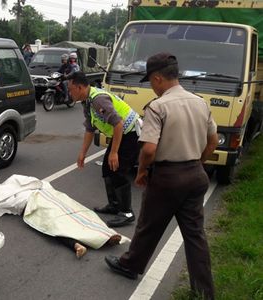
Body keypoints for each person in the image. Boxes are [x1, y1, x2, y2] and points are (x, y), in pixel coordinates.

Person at [104, 53, 218, 300]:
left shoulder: (158, 106)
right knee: (195, 235)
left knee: (148, 225)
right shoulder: (200, 102)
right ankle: (204, 292)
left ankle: (130, 265)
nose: (152, 87)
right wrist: (198, 162)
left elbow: (149, 149)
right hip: (196, 176)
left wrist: (142, 171)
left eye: (151, 82)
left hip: (168, 178)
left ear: (158, 78)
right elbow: (213, 140)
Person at [68, 71, 141, 228]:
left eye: (70, 89)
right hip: (122, 133)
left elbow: (118, 124)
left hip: (131, 134)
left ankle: (127, 213)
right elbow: (90, 128)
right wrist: (82, 154)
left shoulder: (98, 100)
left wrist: (114, 152)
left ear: (79, 87)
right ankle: (114, 205)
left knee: (118, 170)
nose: (69, 93)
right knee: (108, 169)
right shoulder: (87, 102)